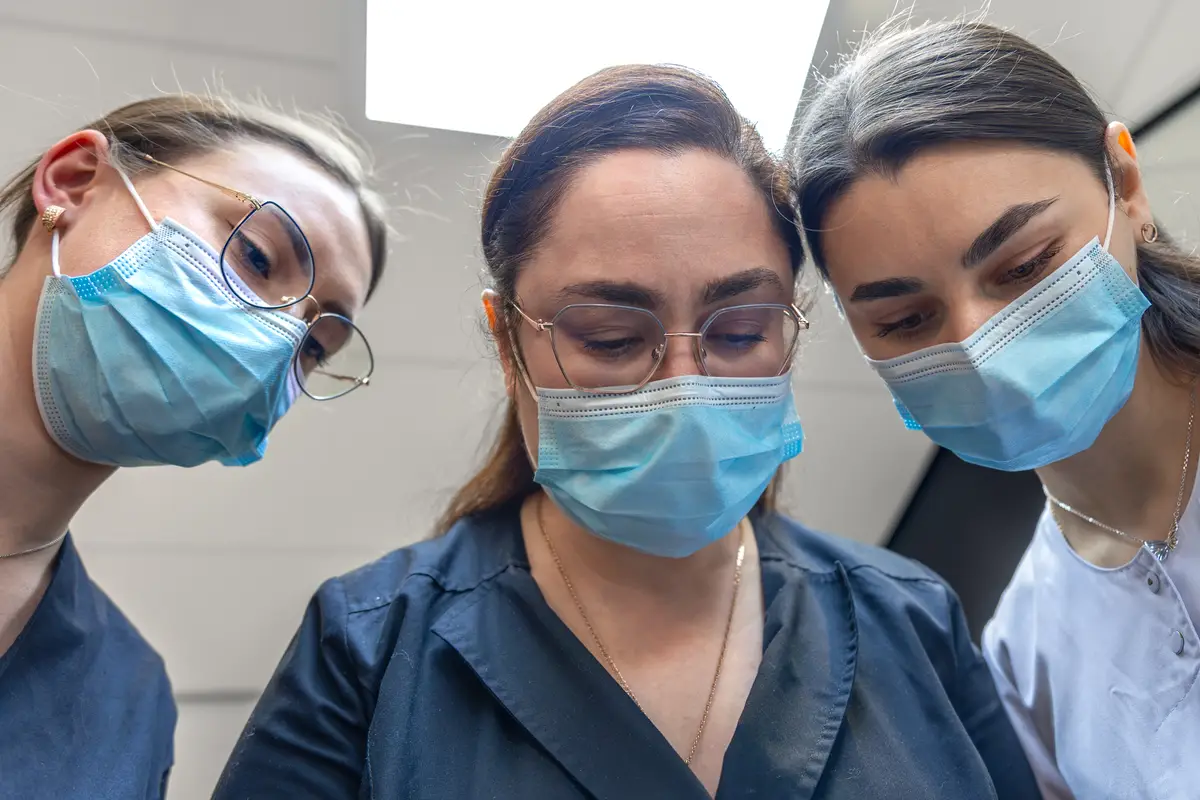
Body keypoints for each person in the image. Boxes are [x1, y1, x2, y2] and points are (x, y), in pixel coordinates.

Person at [214, 64, 1037, 799]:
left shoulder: (912, 619)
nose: (684, 386)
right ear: (508, 342)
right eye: (610, 338)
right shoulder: (369, 647)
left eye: (741, 331)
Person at [790, 17, 1200, 800]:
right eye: (907, 320)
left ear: (1127, 183)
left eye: (1024, 265)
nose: (979, 346)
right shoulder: (1023, 656)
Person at [0, 94, 387, 797]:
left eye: (316, 347)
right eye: (258, 257)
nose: (277, 343)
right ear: (75, 180)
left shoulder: (124, 699)